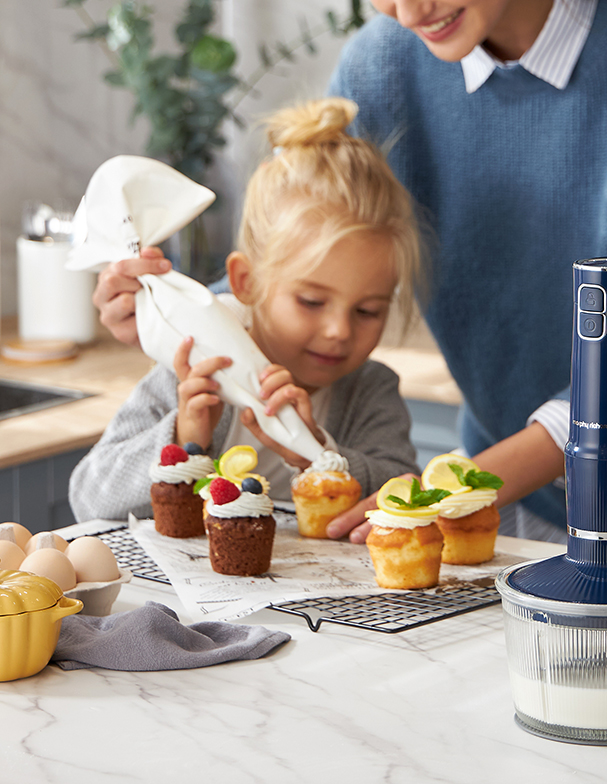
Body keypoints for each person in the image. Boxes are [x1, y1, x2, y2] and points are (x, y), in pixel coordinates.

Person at [91, 0, 607, 579]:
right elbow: (302, 249)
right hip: (496, 465)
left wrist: (453, 490)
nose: (406, 9)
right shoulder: (385, 61)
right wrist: (177, 310)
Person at [69, 98, 421, 522]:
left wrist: (320, 454)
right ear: (246, 282)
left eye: (368, 311)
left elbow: (405, 492)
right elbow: (89, 497)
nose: (338, 331)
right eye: (311, 301)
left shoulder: (369, 390)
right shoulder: (197, 365)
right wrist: (184, 440)